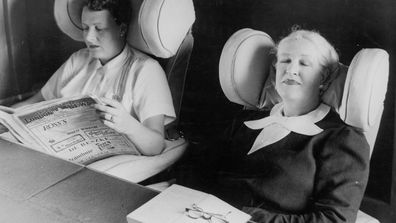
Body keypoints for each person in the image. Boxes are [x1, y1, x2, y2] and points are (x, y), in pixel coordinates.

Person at [188, 28, 370, 223]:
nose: (290, 70)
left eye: (304, 63)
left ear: (323, 78)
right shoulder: (244, 121)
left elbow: (334, 219)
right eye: (285, 61)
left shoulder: (341, 139)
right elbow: (194, 175)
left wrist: (243, 216)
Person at [13, 0, 175, 156]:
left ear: (122, 29)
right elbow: (34, 103)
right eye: (85, 28)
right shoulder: (78, 60)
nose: (89, 38)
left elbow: (156, 145)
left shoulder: (145, 69)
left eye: (99, 28)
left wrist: (128, 125)